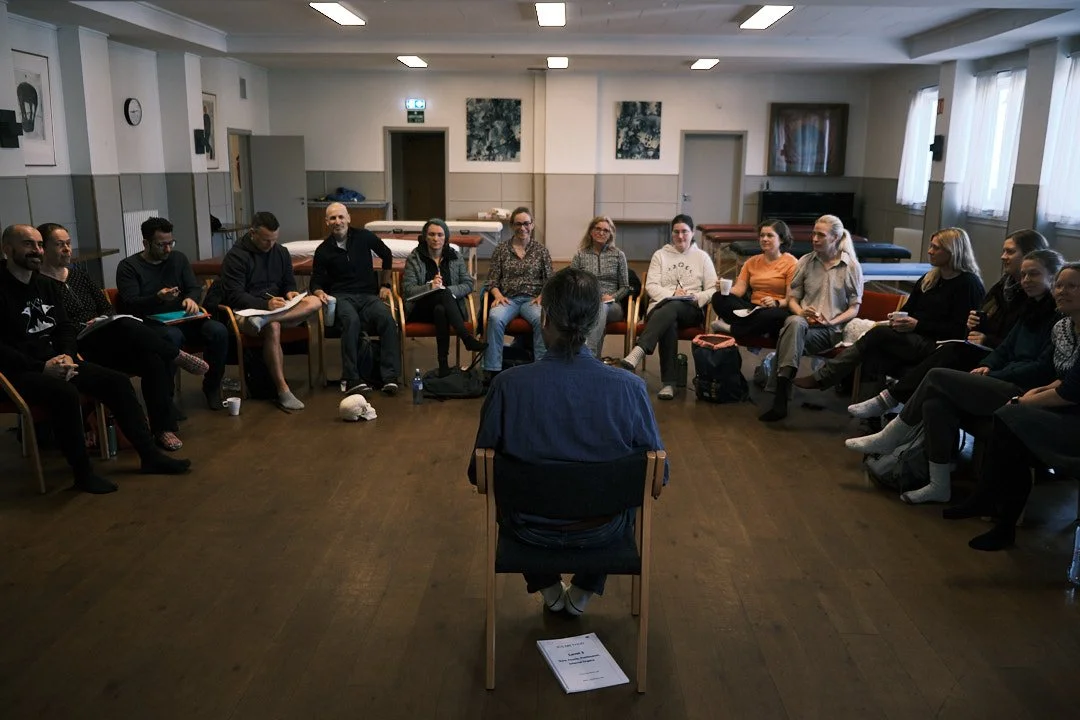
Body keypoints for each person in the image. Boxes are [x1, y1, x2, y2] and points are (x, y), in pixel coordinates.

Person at [468, 267, 667, 616]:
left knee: (503, 484)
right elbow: (657, 479)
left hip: (528, 529)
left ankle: (547, 585)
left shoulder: (508, 386)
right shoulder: (630, 388)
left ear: (543, 318)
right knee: (635, 476)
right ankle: (585, 588)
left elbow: (478, 474)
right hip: (603, 532)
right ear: (594, 323)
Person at [845, 250, 1066, 505]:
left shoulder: (1057, 320)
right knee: (935, 403)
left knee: (939, 375)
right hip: (1001, 376)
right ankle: (939, 485)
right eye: (1024, 274)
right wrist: (986, 364)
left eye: (1034, 274)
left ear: (1052, 277)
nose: (1025, 279)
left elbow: (1041, 368)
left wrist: (994, 371)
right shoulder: (1030, 308)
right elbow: (1005, 349)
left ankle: (892, 433)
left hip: (1024, 390)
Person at [0, 225, 190, 493]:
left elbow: (64, 327)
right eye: (29, 244)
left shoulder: (44, 285)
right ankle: (82, 474)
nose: (37, 250)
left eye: (40, 244)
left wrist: (66, 354)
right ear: (7, 249)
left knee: (118, 382)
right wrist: (42, 367)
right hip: (18, 371)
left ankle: (150, 456)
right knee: (65, 394)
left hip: (60, 360)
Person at [37, 223, 209, 451]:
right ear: (44, 249)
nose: (67, 249)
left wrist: (102, 320)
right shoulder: (39, 285)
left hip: (105, 337)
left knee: (151, 359)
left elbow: (106, 308)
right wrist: (86, 326)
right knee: (128, 324)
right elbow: (54, 325)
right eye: (60, 245)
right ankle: (176, 355)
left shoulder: (80, 276)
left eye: (68, 243)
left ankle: (163, 429)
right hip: (78, 345)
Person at [848, 229, 1050, 419]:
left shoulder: (980, 286)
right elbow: (982, 327)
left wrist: (985, 338)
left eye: (1010, 252)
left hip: (975, 353)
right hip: (981, 351)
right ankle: (882, 418)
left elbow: (1016, 346)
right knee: (880, 345)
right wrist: (976, 325)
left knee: (946, 352)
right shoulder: (1002, 287)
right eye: (1004, 251)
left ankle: (883, 400)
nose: (1003, 256)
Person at [949, 262, 1080, 551]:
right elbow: (1062, 378)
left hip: (1075, 416)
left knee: (1011, 417)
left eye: (1073, 286)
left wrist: (1024, 400)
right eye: (1060, 285)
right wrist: (1037, 393)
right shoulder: (1062, 328)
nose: (1062, 291)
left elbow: (1070, 393)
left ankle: (991, 504)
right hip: (1066, 406)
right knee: (1012, 427)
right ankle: (1001, 522)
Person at [793, 226, 985, 402]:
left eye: (936, 248)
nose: (929, 251)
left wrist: (917, 325)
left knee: (877, 335)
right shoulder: (930, 278)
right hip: (915, 337)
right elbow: (909, 309)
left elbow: (960, 330)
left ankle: (825, 377)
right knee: (875, 350)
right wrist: (899, 318)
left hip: (939, 346)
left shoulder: (968, 284)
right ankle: (868, 415)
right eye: (930, 246)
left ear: (952, 253)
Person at [205, 211, 323, 410]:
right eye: (266, 240)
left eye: (274, 240)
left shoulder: (281, 252)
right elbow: (235, 296)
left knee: (315, 301)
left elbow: (288, 284)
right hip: (247, 313)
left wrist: (291, 294)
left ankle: (268, 319)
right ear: (252, 234)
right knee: (274, 326)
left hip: (275, 310)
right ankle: (283, 390)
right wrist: (264, 306)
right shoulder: (236, 256)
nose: (271, 245)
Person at [115, 216, 228, 410]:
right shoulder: (129, 267)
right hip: (149, 323)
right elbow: (130, 304)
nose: (168, 249)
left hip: (183, 318)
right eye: (161, 245)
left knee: (218, 330)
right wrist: (158, 298)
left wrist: (191, 298)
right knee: (171, 337)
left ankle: (212, 387)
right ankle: (165, 399)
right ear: (146, 243)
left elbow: (193, 287)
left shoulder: (178, 259)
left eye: (170, 243)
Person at [758, 214, 864, 422]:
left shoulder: (850, 267)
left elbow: (854, 308)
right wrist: (801, 312)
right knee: (794, 323)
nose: (814, 238)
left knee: (789, 331)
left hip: (831, 331)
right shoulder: (806, 262)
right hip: (802, 325)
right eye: (813, 233)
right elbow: (792, 300)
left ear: (835, 238)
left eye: (821, 235)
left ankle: (780, 394)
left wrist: (831, 321)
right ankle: (780, 397)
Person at [619, 214, 717, 400]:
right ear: (671, 233)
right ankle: (668, 384)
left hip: (690, 309)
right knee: (669, 318)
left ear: (692, 232)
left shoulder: (702, 257)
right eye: (676, 232)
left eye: (685, 232)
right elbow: (651, 286)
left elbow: (713, 288)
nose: (680, 236)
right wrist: (673, 294)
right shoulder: (660, 255)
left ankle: (640, 350)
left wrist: (696, 296)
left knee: (671, 309)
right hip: (662, 309)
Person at [309, 202, 401, 396]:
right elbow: (315, 282)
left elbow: (387, 255)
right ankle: (352, 378)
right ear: (327, 222)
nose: (338, 221)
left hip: (368, 295)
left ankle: (390, 376)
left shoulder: (364, 237)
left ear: (348, 218)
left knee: (387, 319)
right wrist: (318, 292)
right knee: (351, 321)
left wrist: (385, 285)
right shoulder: (323, 250)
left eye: (341, 217)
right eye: (333, 218)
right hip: (341, 297)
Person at [401, 218, 488, 376]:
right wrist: (430, 287)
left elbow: (469, 283)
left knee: (441, 307)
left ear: (446, 237)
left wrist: (447, 290)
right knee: (441, 294)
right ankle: (466, 338)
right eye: (431, 234)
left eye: (440, 235)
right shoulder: (415, 257)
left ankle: (443, 366)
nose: (436, 238)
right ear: (425, 237)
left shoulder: (455, 256)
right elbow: (407, 290)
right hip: (420, 310)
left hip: (449, 309)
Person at [483, 207, 552, 377]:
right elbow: (491, 280)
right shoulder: (501, 249)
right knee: (494, 318)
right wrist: (498, 296)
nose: (522, 228)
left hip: (532, 300)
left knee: (540, 319)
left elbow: (550, 279)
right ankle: (493, 370)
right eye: (518, 224)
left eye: (526, 223)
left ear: (532, 225)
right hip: (508, 299)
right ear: (512, 226)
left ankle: (541, 367)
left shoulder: (541, 250)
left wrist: (542, 296)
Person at [710, 219, 797, 340]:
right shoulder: (752, 261)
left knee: (776, 316)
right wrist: (726, 289)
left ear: (781, 239)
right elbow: (739, 290)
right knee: (718, 297)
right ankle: (757, 329)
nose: (764, 239)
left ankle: (731, 329)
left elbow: (790, 299)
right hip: (751, 309)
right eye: (762, 235)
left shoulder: (791, 262)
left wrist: (776, 302)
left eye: (770, 235)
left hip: (774, 309)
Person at [569, 216, 631, 358]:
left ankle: (588, 354)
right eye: (597, 229)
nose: (601, 233)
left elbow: (625, 287)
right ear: (591, 231)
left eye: (606, 230)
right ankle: (592, 360)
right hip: (586, 301)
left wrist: (612, 297)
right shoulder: (580, 254)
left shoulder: (618, 255)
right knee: (592, 312)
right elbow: (572, 282)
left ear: (610, 235)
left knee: (600, 308)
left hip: (612, 305)